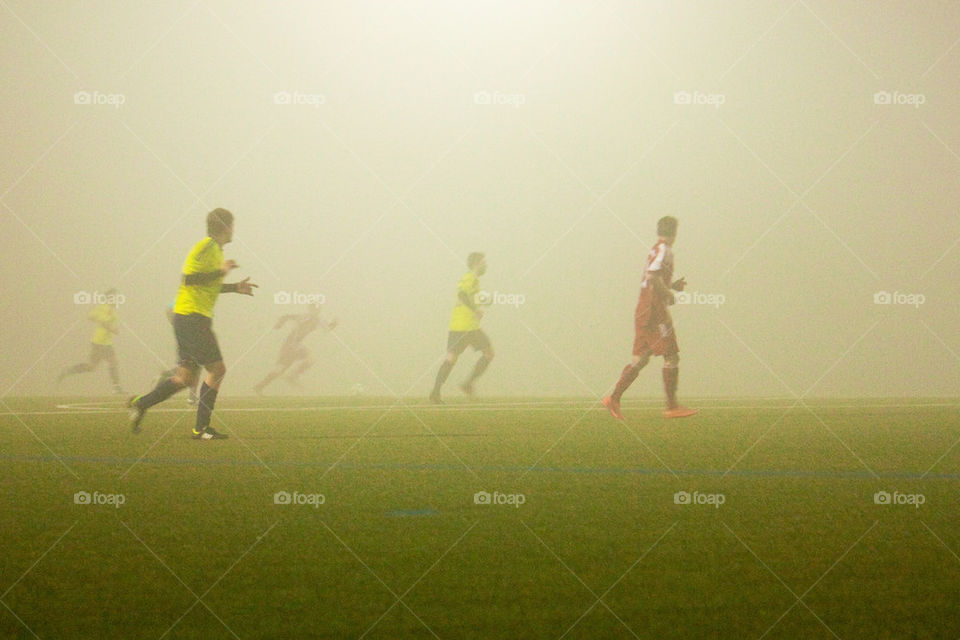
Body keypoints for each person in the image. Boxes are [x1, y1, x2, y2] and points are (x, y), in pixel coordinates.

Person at [127, 208, 257, 439]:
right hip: (192, 318)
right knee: (217, 370)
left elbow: (207, 284)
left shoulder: (215, 251)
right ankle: (202, 428)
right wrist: (221, 271)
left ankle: (141, 403)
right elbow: (190, 279)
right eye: (232, 226)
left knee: (184, 378)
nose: (233, 230)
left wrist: (235, 287)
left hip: (189, 319)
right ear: (225, 227)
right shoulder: (206, 247)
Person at [602, 216, 697, 419]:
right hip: (654, 312)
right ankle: (672, 406)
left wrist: (671, 286)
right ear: (675, 232)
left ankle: (614, 398)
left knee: (640, 359)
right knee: (671, 355)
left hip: (643, 310)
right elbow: (653, 278)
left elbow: (651, 279)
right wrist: (668, 294)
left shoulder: (655, 249)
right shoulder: (664, 249)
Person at [429, 252, 493, 403]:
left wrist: (484, 300)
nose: (485, 265)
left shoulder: (472, 280)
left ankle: (435, 392)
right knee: (489, 353)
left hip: (457, 326)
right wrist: (475, 310)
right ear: (476, 263)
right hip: (468, 326)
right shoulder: (470, 277)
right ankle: (467, 385)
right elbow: (462, 295)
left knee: (451, 358)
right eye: (483, 262)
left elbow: (467, 295)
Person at [253, 307, 337, 394]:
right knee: (307, 360)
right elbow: (286, 316)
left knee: (282, 369)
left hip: (294, 345)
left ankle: (260, 386)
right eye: (313, 309)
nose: (316, 312)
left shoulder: (317, 320)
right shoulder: (305, 317)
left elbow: (327, 328)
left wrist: (334, 324)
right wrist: (279, 324)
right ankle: (291, 376)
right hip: (291, 344)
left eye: (317, 310)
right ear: (310, 309)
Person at [58, 289, 122, 394]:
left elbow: (92, 317)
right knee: (112, 362)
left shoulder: (110, 308)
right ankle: (116, 387)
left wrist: (112, 327)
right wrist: (111, 328)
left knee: (92, 366)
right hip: (100, 342)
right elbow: (95, 318)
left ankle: (68, 370)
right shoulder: (104, 308)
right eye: (114, 297)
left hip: (104, 342)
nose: (116, 299)